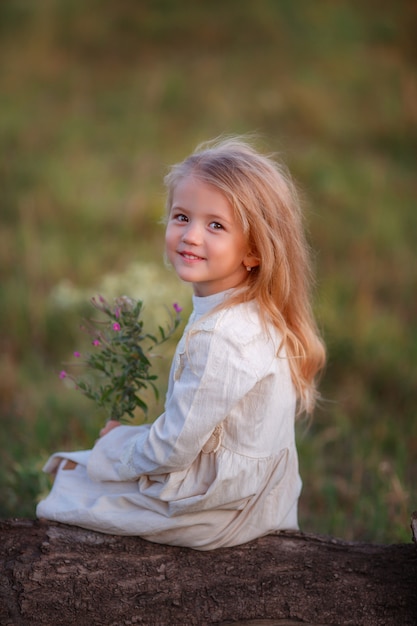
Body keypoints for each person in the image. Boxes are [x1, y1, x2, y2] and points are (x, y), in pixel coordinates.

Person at [37, 136, 326, 550]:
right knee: (82, 474)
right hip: (254, 494)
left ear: (254, 252)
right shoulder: (253, 308)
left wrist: (117, 443)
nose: (190, 235)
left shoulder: (220, 338)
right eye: (181, 216)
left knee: (68, 492)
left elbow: (172, 448)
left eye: (216, 225)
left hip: (221, 511)